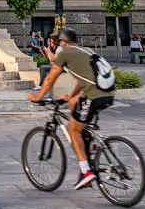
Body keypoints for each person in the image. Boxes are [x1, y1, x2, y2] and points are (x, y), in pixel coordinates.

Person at [29, 27, 116, 190]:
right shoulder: (86, 52)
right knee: (79, 118)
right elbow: (81, 79)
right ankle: (91, 154)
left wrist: (37, 96)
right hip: (108, 93)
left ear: (63, 42)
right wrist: (71, 95)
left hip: (94, 95)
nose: (56, 45)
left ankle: (86, 172)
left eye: (57, 42)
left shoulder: (65, 53)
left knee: (73, 130)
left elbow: (50, 78)